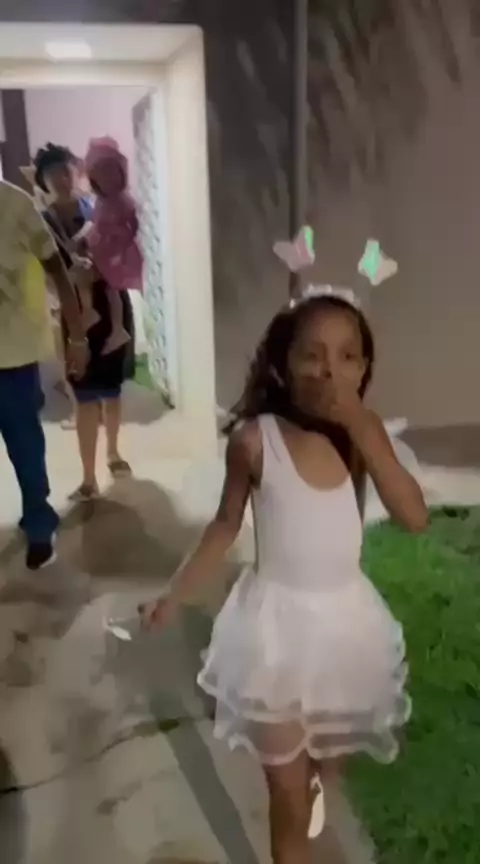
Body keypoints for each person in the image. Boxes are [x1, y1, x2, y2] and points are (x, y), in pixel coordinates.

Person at [142, 291, 428, 864]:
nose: (330, 371)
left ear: (365, 368)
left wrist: (362, 428)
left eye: (348, 356)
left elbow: (415, 517)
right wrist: (175, 595)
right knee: (287, 795)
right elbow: (225, 526)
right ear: (283, 363)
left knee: (325, 770)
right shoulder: (256, 441)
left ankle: (314, 795)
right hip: (273, 634)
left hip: (344, 630)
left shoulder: (360, 435)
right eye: (312, 355)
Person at [33, 143, 135, 501]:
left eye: (65, 171)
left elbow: (123, 248)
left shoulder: (97, 208)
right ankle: (89, 477)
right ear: (42, 181)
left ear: (76, 172)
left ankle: (114, 453)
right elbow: (40, 271)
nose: (61, 179)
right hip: (72, 315)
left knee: (112, 389)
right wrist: (59, 290)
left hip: (110, 307)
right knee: (84, 395)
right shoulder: (40, 222)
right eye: (52, 174)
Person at [0, 178, 88, 570]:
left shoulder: (14, 204)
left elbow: (58, 270)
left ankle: (39, 525)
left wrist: (78, 337)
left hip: (12, 358)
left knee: (26, 449)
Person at [84, 136, 143, 356]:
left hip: (114, 254)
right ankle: (113, 326)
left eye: (111, 172)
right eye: (100, 175)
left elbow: (134, 226)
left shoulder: (122, 202)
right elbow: (95, 225)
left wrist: (119, 237)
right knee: (104, 286)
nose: (106, 179)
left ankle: (107, 322)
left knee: (103, 283)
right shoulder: (101, 202)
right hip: (102, 251)